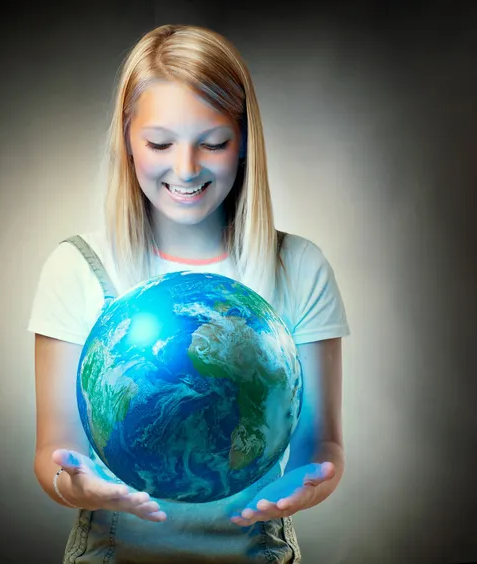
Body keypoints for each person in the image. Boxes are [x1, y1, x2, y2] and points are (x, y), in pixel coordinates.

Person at [28, 24, 350, 564]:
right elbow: (51, 454)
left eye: (214, 142)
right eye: (159, 142)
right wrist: (72, 486)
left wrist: (312, 484)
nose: (185, 168)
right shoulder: (77, 268)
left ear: (245, 141)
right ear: (127, 139)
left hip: (257, 552)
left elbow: (322, 448)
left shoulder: (299, 267)